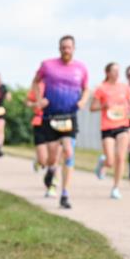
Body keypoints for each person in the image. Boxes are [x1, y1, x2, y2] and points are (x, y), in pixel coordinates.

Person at [35, 35, 90, 207]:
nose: (66, 50)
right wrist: (39, 100)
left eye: (69, 47)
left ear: (74, 48)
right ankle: (51, 170)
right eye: (63, 47)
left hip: (69, 117)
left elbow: (86, 88)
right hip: (50, 116)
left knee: (68, 151)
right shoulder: (47, 65)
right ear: (59, 48)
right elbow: (36, 82)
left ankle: (65, 194)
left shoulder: (81, 68)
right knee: (52, 157)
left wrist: (83, 101)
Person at [91, 62, 130, 199]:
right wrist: (104, 105)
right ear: (108, 73)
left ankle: (115, 188)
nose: (117, 73)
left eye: (118, 70)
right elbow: (92, 108)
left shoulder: (124, 87)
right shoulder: (101, 88)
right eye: (114, 71)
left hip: (122, 125)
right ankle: (102, 164)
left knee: (121, 158)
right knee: (110, 161)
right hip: (107, 127)